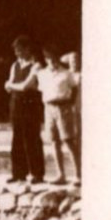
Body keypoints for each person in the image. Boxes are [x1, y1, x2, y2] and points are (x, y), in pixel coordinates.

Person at [4, 37, 44, 183]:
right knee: (17, 138)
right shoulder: (15, 65)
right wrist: (14, 86)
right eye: (16, 50)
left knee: (31, 137)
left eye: (20, 49)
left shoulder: (36, 65)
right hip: (16, 104)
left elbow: (24, 86)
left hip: (31, 105)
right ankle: (18, 173)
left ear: (28, 49)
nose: (17, 53)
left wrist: (13, 85)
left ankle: (36, 172)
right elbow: (9, 85)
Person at [37, 48, 80, 184]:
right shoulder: (42, 74)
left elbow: (74, 89)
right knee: (54, 141)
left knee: (68, 140)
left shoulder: (66, 74)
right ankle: (60, 174)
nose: (52, 61)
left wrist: (69, 103)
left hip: (63, 106)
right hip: (49, 108)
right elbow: (42, 90)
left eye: (54, 58)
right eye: (49, 58)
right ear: (45, 59)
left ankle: (79, 174)